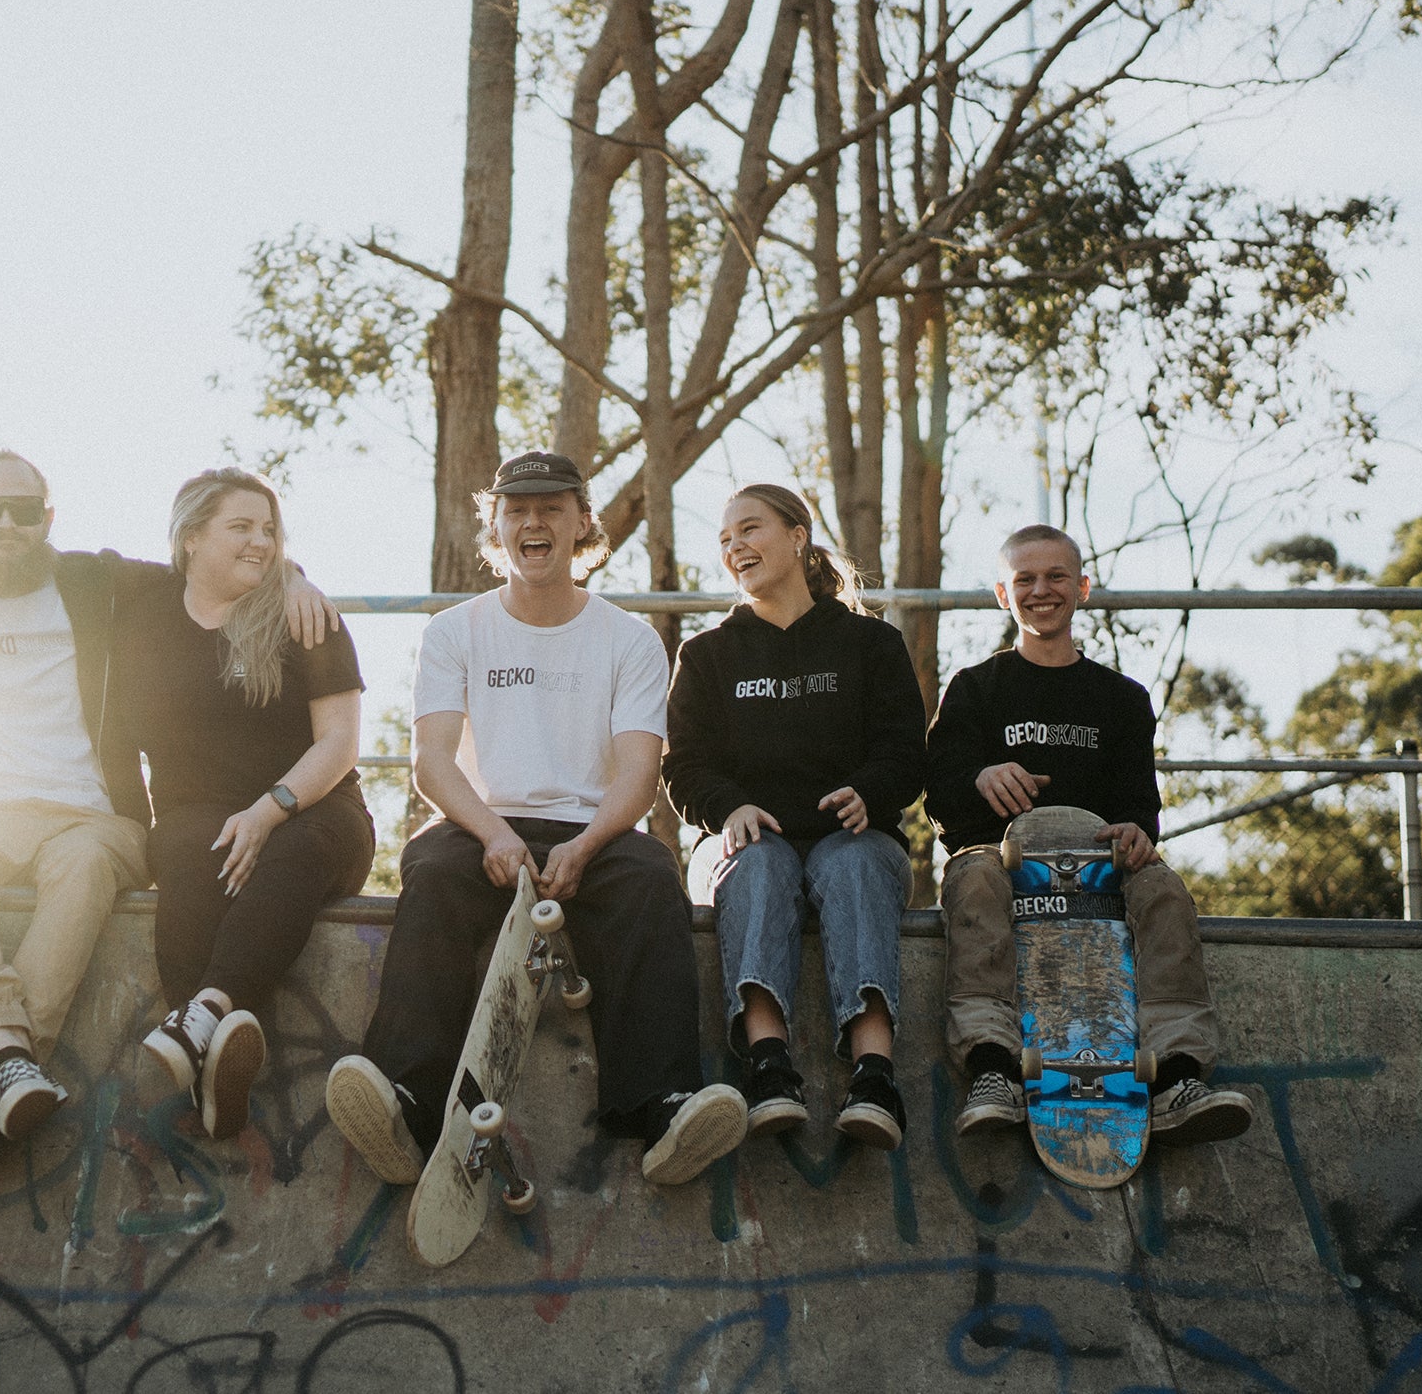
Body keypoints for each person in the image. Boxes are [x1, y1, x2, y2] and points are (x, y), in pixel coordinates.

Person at [0, 451, 335, 1167]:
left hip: (86, 814)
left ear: (49, 515)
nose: (6, 524)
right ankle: (12, 1056)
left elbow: (207, 565)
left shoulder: (91, 579)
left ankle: (0, 1052)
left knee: (81, 868)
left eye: (23, 509)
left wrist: (294, 574)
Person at [325, 452, 746, 1189]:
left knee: (651, 877)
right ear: (496, 527)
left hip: (594, 828)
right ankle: (408, 1104)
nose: (534, 522)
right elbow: (432, 763)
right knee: (432, 870)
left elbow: (640, 773)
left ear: (584, 523)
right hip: (482, 824)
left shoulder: (629, 639)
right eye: (517, 509)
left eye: (552, 507)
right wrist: (490, 832)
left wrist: (587, 843)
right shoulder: (455, 631)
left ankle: (664, 1109)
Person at [925, 524, 1253, 1146]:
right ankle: (993, 1071)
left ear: (1082, 588)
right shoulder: (974, 688)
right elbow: (938, 799)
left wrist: (1136, 834)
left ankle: (1176, 1079)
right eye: (1025, 579)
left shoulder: (1122, 699)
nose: (1041, 590)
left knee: (1164, 891)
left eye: (1055, 577)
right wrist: (980, 776)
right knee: (972, 880)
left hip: (1101, 865)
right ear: (1002, 593)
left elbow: (1140, 810)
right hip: (1001, 861)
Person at [662, 484, 926, 1148]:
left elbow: (905, 751)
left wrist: (871, 790)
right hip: (747, 842)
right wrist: (728, 807)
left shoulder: (870, 644)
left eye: (749, 530)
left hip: (854, 838)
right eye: (724, 540)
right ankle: (768, 1068)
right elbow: (683, 766)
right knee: (760, 862)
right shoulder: (707, 654)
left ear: (798, 536)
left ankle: (874, 1076)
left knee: (856, 862)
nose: (735, 548)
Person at [120, 469, 373, 1140]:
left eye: (270, 530)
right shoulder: (145, 611)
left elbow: (340, 744)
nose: (261, 542)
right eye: (242, 527)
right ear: (192, 537)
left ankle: (204, 1014)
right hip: (195, 811)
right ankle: (213, 1062)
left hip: (316, 808)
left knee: (291, 848)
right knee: (186, 852)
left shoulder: (305, 615)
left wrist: (269, 809)